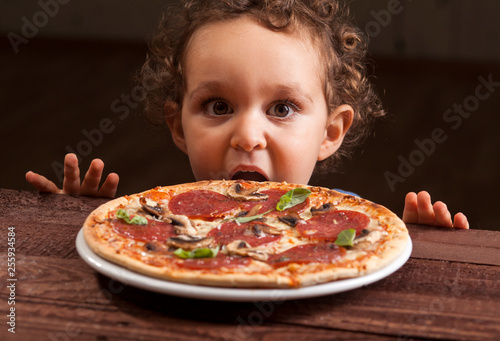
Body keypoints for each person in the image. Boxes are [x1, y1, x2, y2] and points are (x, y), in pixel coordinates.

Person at [25, 0, 468, 229]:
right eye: (218, 107)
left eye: (281, 108)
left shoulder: (349, 230)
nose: (248, 136)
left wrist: (417, 246)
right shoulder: (159, 223)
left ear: (330, 132)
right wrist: (79, 223)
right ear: (179, 125)